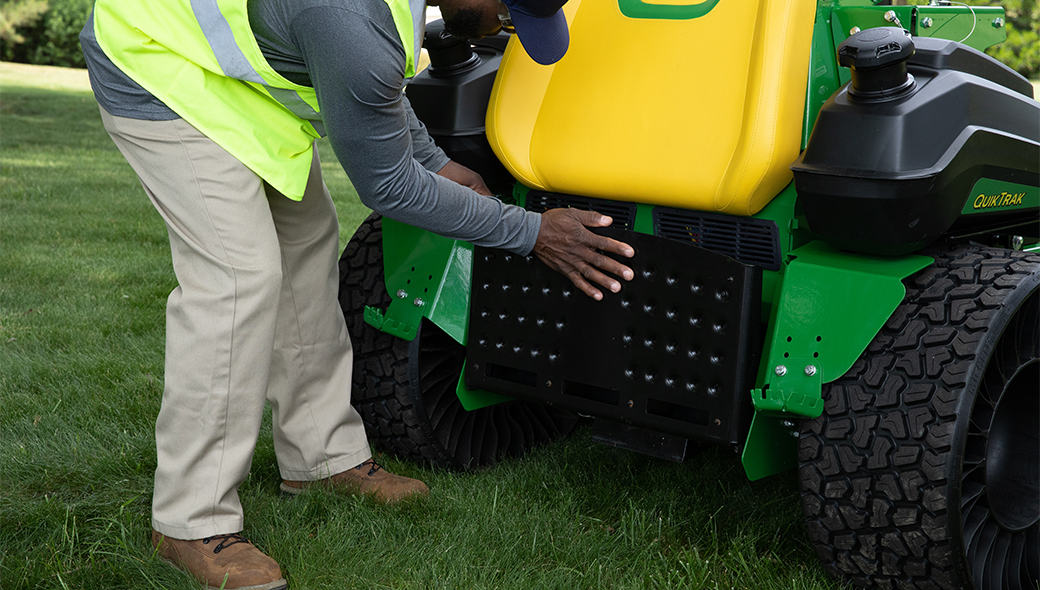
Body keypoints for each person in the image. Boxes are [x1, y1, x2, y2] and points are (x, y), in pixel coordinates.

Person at [80, 0, 634, 588]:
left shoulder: (378, 20)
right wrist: (533, 235)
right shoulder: (348, 16)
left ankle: (323, 460)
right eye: (509, 7)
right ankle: (190, 520)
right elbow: (389, 185)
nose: (510, 25)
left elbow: (381, 90)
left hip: (239, 90)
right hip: (160, 67)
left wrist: (437, 164)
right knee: (239, 278)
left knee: (307, 253)